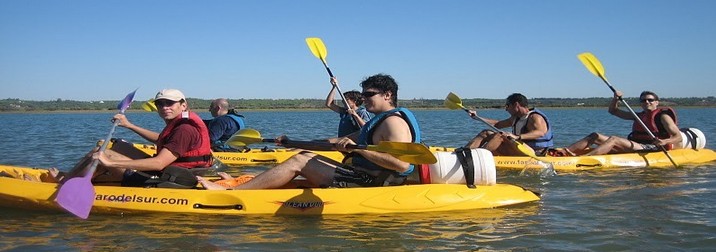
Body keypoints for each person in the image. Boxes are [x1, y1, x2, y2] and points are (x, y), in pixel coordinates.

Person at [198, 73, 421, 190]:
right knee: (303, 156)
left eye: (369, 94)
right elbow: (333, 141)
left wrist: (359, 151)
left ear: (388, 95)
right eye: (363, 94)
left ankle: (232, 193)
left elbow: (403, 165)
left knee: (299, 163)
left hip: (372, 182)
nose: (364, 98)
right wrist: (292, 142)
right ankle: (243, 182)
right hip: (360, 173)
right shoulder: (380, 121)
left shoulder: (394, 123)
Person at [62, 89, 213, 187]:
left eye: (170, 103)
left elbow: (159, 163)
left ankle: (64, 182)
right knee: (119, 146)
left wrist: (110, 162)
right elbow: (161, 139)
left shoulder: (184, 129)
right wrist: (129, 125)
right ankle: (80, 175)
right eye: (160, 104)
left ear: (183, 105)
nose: (164, 107)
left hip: (172, 178)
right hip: (175, 170)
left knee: (100, 153)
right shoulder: (179, 124)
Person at [561, 90, 681, 156]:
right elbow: (613, 111)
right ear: (641, 103)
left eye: (650, 100)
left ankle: (584, 160)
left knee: (614, 139)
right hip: (637, 144)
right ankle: (563, 152)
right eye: (644, 100)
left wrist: (664, 141)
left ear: (657, 102)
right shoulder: (639, 116)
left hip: (653, 147)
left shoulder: (663, 116)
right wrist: (615, 99)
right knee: (595, 136)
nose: (647, 102)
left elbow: (678, 137)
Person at [464, 93, 554, 156]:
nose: (506, 109)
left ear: (516, 105)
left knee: (500, 135)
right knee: (486, 133)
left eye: (507, 106)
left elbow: (540, 132)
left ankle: (479, 157)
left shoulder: (534, 117)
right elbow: (497, 124)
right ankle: (465, 152)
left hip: (534, 152)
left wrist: (517, 137)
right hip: (520, 148)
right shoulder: (515, 118)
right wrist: (477, 117)